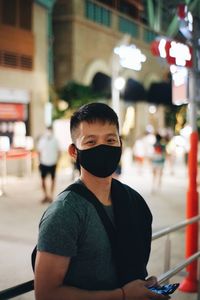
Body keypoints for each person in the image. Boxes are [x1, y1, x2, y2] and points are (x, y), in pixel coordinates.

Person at [34, 103, 169, 300]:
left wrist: (142, 287)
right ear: (74, 152)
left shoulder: (134, 201)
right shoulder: (65, 213)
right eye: (90, 142)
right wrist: (122, 295)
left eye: (110, 140)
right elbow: (46, 294)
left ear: (120, 144)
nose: (103, 148)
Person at [37, 126, 60, 203]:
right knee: (43, 180)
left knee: (53, 179)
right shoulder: (42, 140)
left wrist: (57, 160)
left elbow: (59, 151)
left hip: (53, 162)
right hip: (43, 162)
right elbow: (39, 152)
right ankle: (45, 195)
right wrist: (39, 161)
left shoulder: (55, 140)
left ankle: (51, 196)